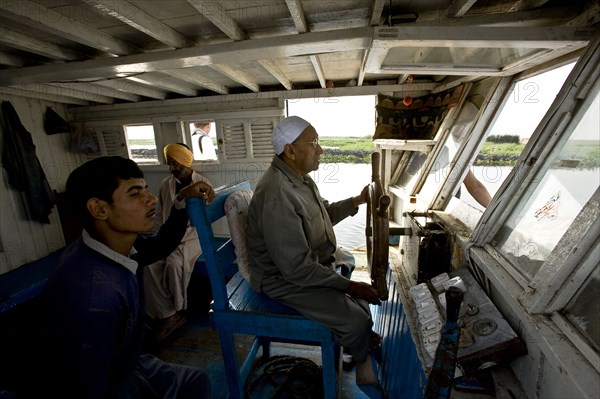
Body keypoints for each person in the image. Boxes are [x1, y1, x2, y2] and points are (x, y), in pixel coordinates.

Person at [26, 156, 214, 399]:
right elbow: (88, 385)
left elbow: (161, 245)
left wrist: (181, 200)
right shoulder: (94, 299)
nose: (152, 199)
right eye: (135, 193)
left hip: (128, 363)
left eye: (146, 189)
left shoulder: (111, 245)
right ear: (99, 209)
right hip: (105, 381)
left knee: (195, 381)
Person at [246, 116, 384, 391]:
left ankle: (356, 340)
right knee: (356, 319)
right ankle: (362, 364)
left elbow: (325, 214)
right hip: (281, 277)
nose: (320, 150)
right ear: (291, 150)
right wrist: (350, 287)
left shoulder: (300, 180)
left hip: (306, 264)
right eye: (314, 143)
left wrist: (357, 200)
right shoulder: (277, 194)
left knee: (359, 297)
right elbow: (296, 268)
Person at [144, 143, 211, 343]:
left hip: (191, 237)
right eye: (169, 163)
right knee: (149, 264)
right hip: (167, 235)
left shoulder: (202, 183)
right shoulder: (166, 184)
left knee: (173, 264)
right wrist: (152, 234)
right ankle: (166, 313)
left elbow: (203, 218)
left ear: (186, 161)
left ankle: (178, 310)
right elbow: (160, 214)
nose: (172, 168)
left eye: (175, 163)